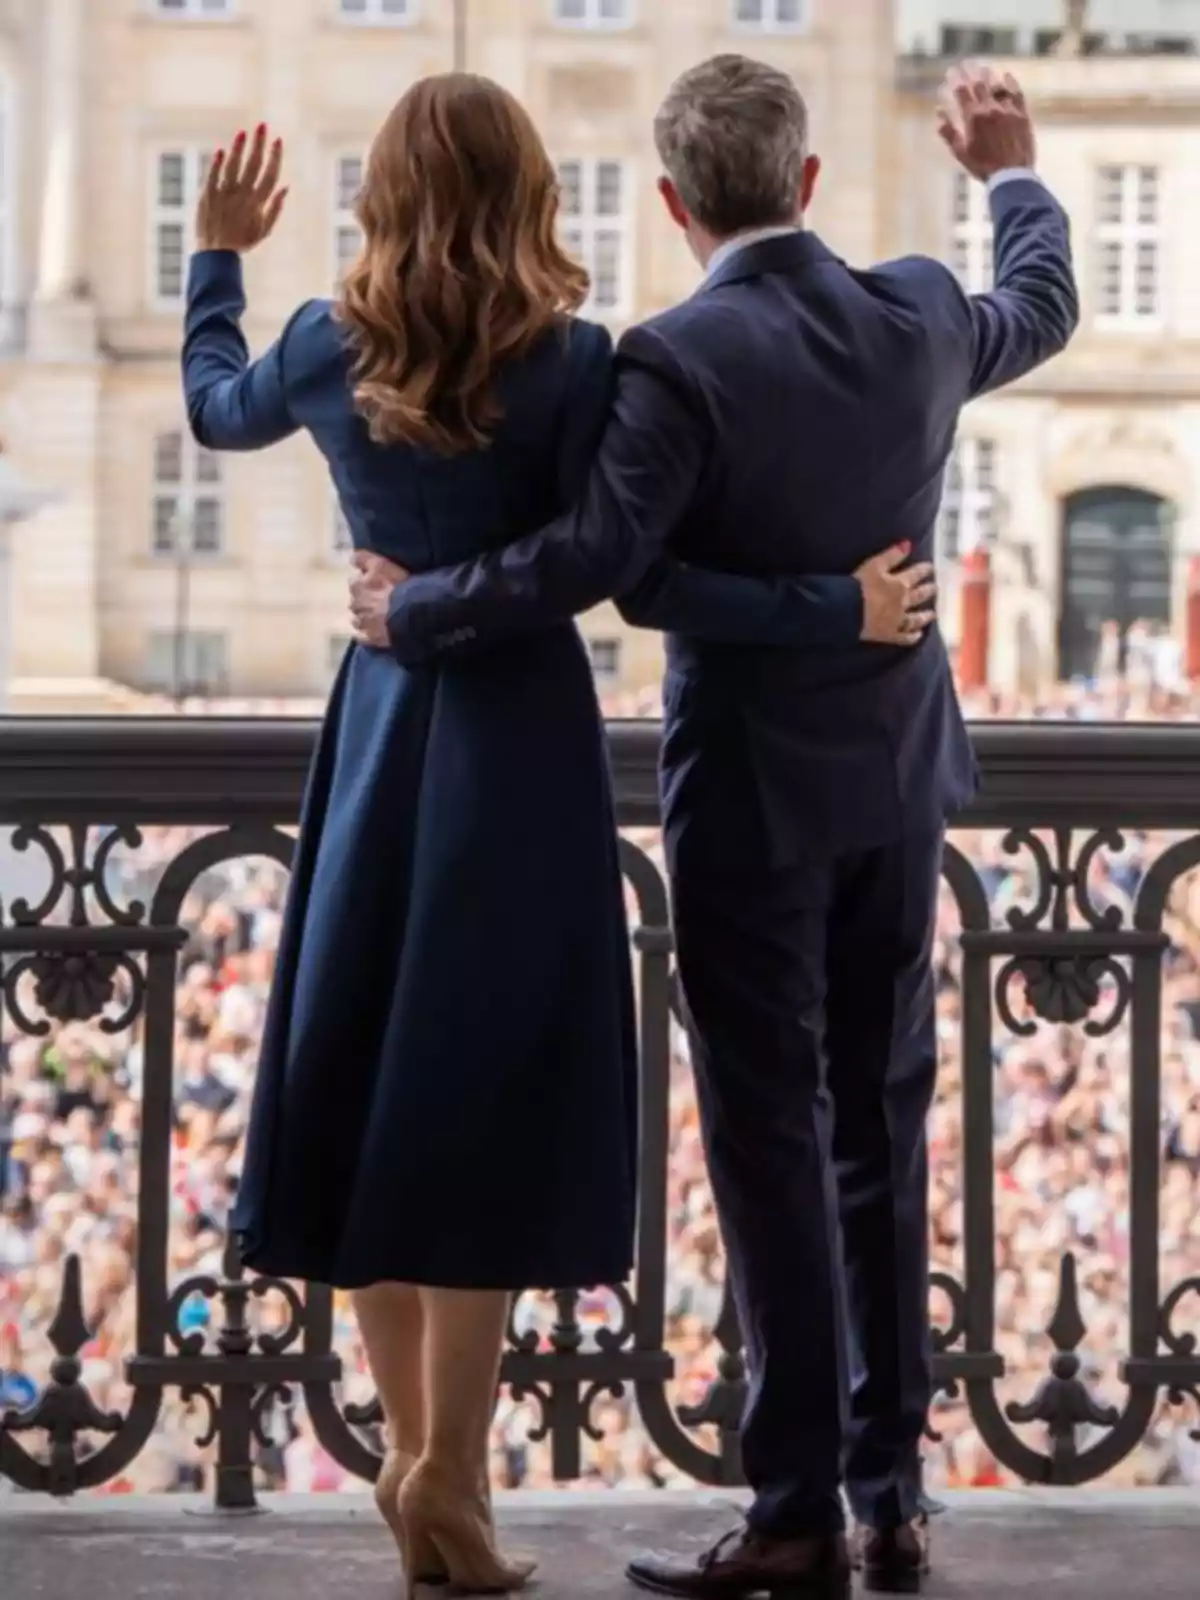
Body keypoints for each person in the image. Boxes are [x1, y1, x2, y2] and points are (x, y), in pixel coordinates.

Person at [179, 77, 930, 1597]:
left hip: (386, 720)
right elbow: (628, 572)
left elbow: (212, 405)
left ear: (379, 195)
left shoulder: (330, 343)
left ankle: (407, 1455)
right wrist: (830, 606)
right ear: (538, 196)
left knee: (373, 1076)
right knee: (482, 1092)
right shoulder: (580, 363)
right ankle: (449, 1463)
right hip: (521, 740)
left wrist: (216, 257)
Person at [348, 56, 1079, 1599]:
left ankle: (798, 1500)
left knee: (771, 1146)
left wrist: (419, 608)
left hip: (751, 800)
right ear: (808, 182)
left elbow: (605, 567)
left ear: (674, 205)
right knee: (881, 1132)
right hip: (897, 787)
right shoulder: (921, 311)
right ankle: (893, 1501)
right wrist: (1010, 166)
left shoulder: (670, 361)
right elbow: (1043, 298)